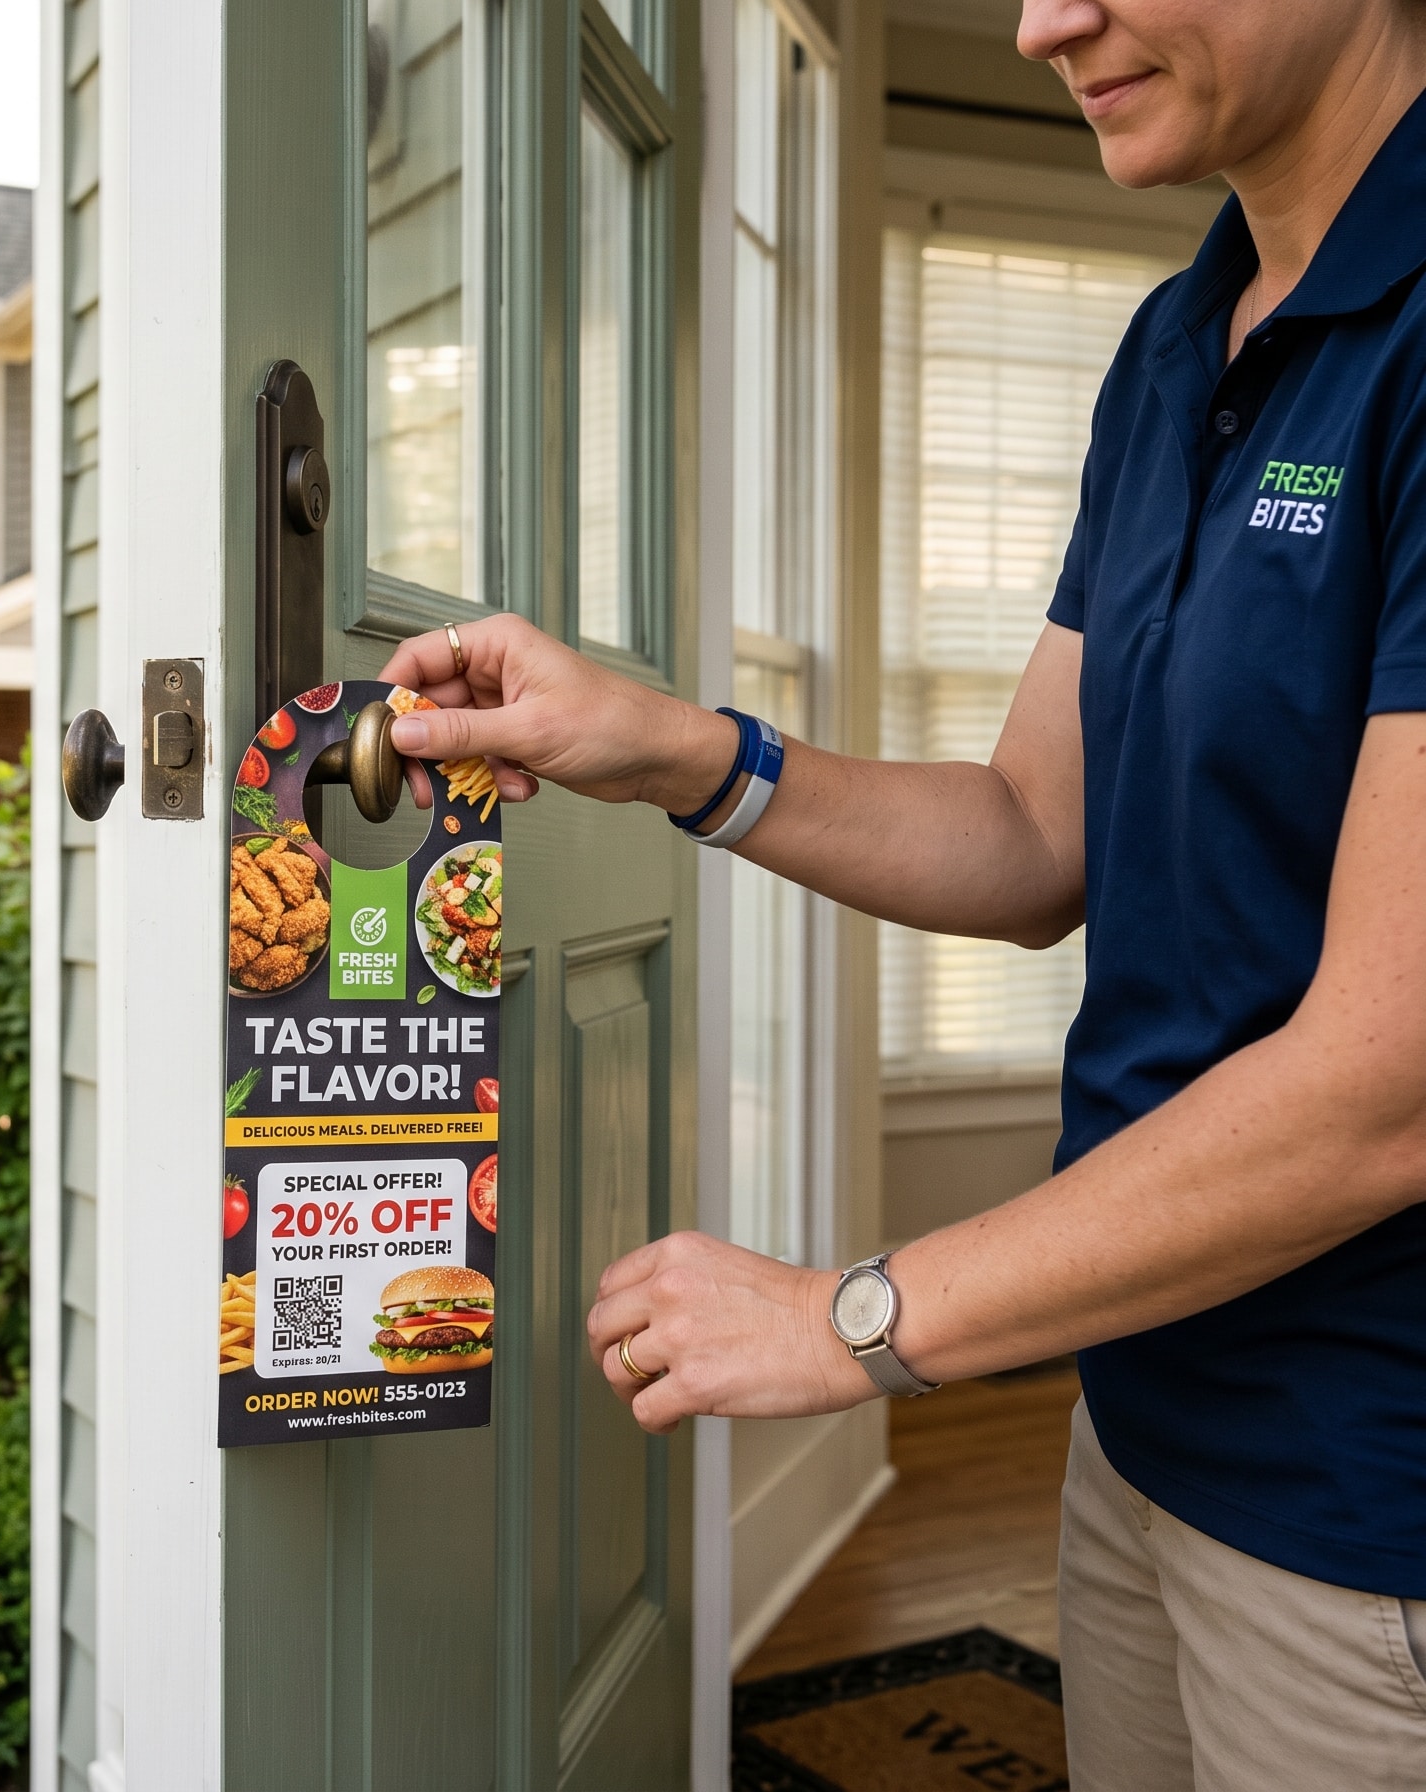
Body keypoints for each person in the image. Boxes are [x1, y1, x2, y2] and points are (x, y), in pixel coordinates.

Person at [379, 2, 1426, 1784]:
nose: (1040, 24)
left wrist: (847, 1320)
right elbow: (1032, 833)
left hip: (1370, 1505)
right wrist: (670, 749)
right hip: (1139, 1420)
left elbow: (1388, 1085)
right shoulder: (1180, 342)